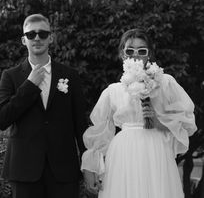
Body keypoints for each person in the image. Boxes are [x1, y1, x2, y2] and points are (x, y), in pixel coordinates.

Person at [82, 28, 197, 198]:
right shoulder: (112, 91)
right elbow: (100, 133)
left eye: (142, 50)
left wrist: (159, 121)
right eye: (129, 50)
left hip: (156, 150)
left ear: (149, 54)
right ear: (122, 54)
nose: (135, 55)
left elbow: (186, 121)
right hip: (123, 153)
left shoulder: (165, 83)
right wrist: (90, 168)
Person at [0, 14, 87, 198]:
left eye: (43, 34)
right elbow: (1, 119)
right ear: (23, 40)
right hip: (24, 170)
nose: (37, 38)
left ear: (51, 38)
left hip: (64, 170)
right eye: (31, 34)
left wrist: (89, 163)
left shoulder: (70, 75)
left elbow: (80, 125)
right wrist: (29, 86)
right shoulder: (10, 76)